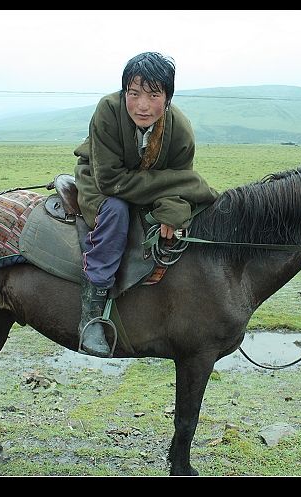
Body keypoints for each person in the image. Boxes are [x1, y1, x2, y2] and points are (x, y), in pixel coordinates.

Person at [73, 52, 219, 357]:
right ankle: (93, 313)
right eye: (134, 93)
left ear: (167, 98)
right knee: (116, 212)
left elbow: (179, 187)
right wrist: (180, 184)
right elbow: (111, 181)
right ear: (124, 92)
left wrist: (174, 208)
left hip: (146, 188)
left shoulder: (180, 129)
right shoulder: (107, 111)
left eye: (153, 95)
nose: (142, 105)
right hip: (99, 182)